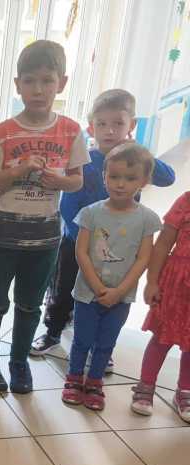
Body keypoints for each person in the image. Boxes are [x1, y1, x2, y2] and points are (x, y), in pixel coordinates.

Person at [0, 39, 90, 394]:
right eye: (29, 81)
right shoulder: (3, 132)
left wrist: (59, 181)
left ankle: (19, 362)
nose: (38, 90)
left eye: (47, 80)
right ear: (17, 85)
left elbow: (77, 181)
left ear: (61, 83)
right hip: (2, 235)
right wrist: (20, 169)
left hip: (45, 238)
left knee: (29, 305)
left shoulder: (71, 131)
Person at [32, 89, 175, 369]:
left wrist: (139, 152)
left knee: (111, 294)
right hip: (78, 243)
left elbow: (168, 177)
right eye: (102, 124)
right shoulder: (85, 160)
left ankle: (102, 346)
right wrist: (82, 242)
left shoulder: (136, 161)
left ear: (131, 125)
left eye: (118, 123)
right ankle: (52, 331)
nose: (110, 130)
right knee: (64, 288)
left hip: (120, 247)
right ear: (91, 127)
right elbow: (68, 205)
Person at [61, 143, 160, 410]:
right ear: (104, 176)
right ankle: (74, 378)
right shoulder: (90, 213)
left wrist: (119, 291)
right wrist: (96, 286)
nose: (120, 184)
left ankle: (95, 382)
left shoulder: (147, 219)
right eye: (114, 176)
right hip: (87, 293)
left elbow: (143, 258)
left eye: (130, 178)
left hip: (121, 296)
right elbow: (81, 252)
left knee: (106, 342)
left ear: (144, 181)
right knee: (82, 339)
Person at [132, 190, 190, 420]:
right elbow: (163, 244)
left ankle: (185, 391)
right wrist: (152, 282)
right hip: (176, 285)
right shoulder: (186, 201)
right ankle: (145, 386)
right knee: (161, 338)